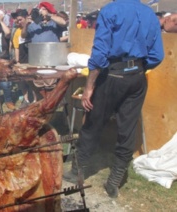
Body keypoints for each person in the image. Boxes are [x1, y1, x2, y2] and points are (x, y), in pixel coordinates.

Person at [63, 0, 164, 199]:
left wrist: (89, 87)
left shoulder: (110, 11)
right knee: (128, 129)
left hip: (111, 76)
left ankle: (77, 171)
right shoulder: (149, 14)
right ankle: (115, 181)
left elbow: (99, 54)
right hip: (137, 78)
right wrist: (139, 67)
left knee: (93, 123)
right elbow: (157, 55)